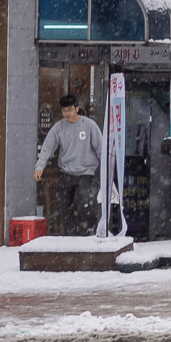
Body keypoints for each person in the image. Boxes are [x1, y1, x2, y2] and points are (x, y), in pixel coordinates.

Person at [33, 93, 103, 237]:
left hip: (86, 173)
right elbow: (47, 147)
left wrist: (107, 168)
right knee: (65, 209)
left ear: (77, 108)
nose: (67, 114)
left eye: (70, 110)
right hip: (66, 173)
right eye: (64, 111)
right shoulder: (59, 128)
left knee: (83, 203)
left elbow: (100, 148)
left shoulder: (89, 125)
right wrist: (40, 166)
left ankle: (90, 230)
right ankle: (71, 237)